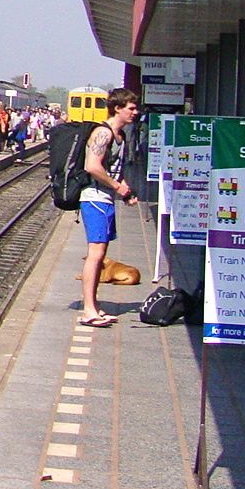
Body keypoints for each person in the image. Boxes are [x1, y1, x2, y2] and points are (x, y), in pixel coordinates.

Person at [75, 87, 140, 328]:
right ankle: (88, 310)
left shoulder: (120, 136)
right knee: (96, 255)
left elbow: (113, 171)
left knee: (100, 253)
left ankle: (93, 306)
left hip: (105, 199)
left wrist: (125, 192)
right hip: (94, 198)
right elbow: (93, 166)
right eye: (131, 108)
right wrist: (117, 186)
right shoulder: (103, 133)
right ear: (117, 108)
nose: (136, 112)